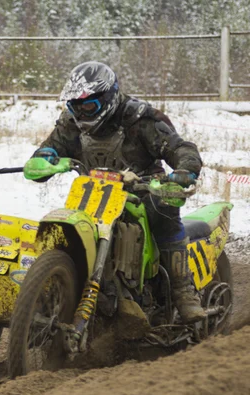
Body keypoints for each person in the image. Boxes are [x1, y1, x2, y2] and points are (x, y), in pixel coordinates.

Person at [25, 61, 206, 323]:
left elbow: (180, 148)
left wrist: (184, 171)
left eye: (88, 105)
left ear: (108, 97)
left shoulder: (141, 119)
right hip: (94, 194)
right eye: (74, 106)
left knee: (163, 210)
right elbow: (50, 149)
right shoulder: (71, 124)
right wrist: (45, 158)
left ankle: (183, 290)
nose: (81, 112)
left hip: (145, 191)